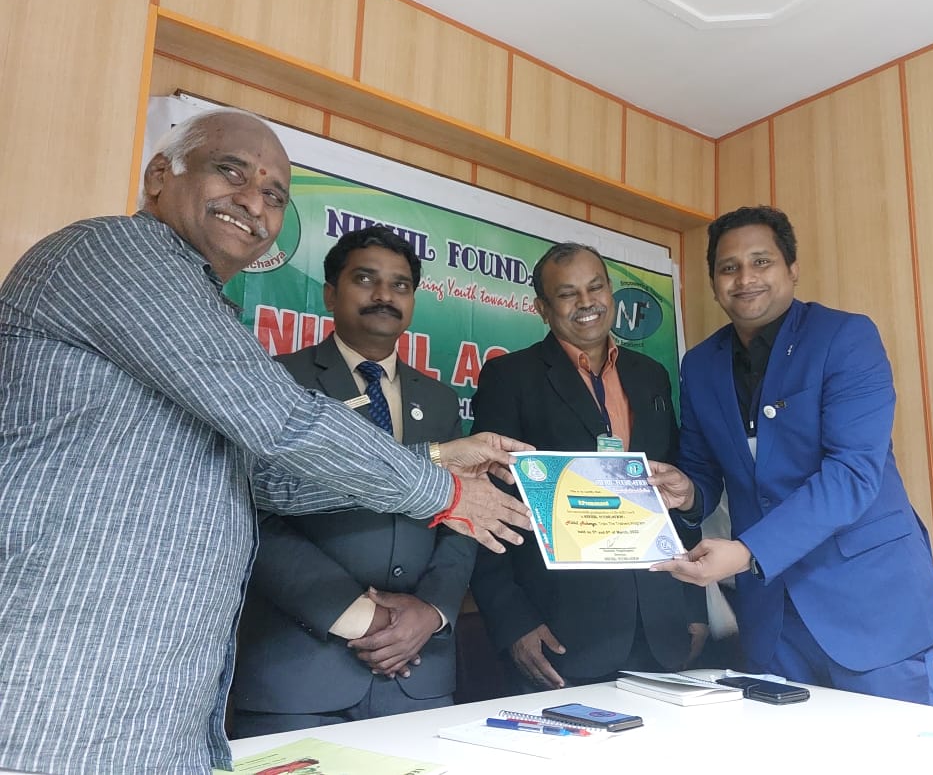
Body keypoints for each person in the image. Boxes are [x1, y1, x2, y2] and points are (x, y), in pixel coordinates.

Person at [0, 108, 530, 774]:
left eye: (276, 194)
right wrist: (443, 490)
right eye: (231, 171)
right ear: (159, 175)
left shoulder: (204, 309)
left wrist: (438, 457)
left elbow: (265, 480)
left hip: (153, 691)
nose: (254, 201)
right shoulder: (116, 253)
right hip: (64, 671)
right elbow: (284, 424)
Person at [651, 206, 933, 705]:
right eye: (729, 267)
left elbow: (852, 474)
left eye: (761, 262)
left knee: (892, 746)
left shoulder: (846, 338)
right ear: (714, 283)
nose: (745, 278)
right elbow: (703, 471)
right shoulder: (700, 365)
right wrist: (687, 493)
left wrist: (746, 552)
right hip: (773, 618)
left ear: (792, 269)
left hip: (872, 605)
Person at [231, 227, 474, 736]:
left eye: (400, 285)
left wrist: (431, 612)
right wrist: (358, 614)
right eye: (365, 279)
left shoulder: (439, 400)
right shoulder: (278, 380)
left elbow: (463, 514)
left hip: (419, 671)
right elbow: (251, 511)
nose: (384, 295)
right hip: (300, 671)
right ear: (329, 294)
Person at [469, 242, 708, 691]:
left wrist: (694, 605)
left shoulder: (651, 375)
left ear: (610, 292)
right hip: (562, 634)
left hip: (661, 628)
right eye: (567, 293)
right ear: (542, 308)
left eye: (595, 287)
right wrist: (513, 622)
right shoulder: (511, 378)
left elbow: (671, 494)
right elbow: (485, 506)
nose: (586, 302)